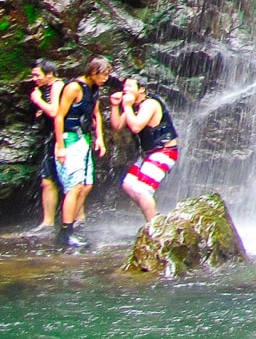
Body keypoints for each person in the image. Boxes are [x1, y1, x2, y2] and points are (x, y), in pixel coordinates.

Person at [51, 56, 111, 248]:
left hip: (84, 140)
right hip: (69, 140)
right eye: (104, 74)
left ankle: (71, 228)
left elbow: (96, 114)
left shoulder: (94, 89)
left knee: (86, 186)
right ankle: (65, 232)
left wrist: (99, 138)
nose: (106, 78)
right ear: (93, 72)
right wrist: (60, 145)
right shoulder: (74, 88)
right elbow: (59, 116)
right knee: (74, 186)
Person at [107, 77, 180, 223]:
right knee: (128, 185)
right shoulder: (134, 105)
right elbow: (117, 126)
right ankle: (155, 216)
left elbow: (136, 127)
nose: (125, 89)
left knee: (141, 190)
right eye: (124, 87)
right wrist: (115, 106)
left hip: (164, 152)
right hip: (148, 153)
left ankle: (155, 227)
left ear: (141, 89)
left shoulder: (149, 104)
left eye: (129, 86)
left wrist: (127, 107)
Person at [27, 60, 64, 232]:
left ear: (49, 74)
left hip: (61, 139)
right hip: (53, 138)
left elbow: (55, 111)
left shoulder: (57, 85)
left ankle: (50, 222)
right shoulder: (49, 87)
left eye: (37, 75)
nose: (34, 79)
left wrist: (38, 100)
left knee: (56, 181)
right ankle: (48, 222)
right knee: (48, 181)